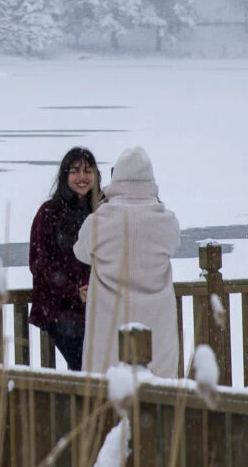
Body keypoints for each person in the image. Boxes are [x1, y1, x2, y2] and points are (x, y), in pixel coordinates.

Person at [74, 146, 182, 377]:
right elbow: (173, 245)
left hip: (109, 326)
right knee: (158, 397)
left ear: (116, 178)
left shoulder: (99, 221)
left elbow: (80, 252)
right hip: (157, 329)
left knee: (107, 394)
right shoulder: (167, 221)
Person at [28, 147, 102, 369]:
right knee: (86, 367)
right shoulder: (50, 212)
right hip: (59, 310)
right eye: (75, 171)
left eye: (88, 170)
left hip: (97, 307)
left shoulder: (101, 211)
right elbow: (40, 262)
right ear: (65, 175)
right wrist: (73, 291)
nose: (82, 177)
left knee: (99, 368)